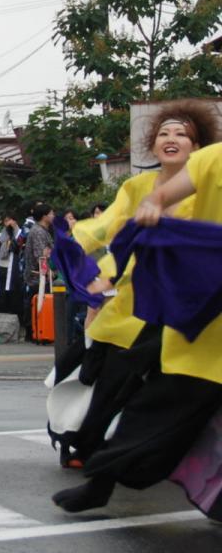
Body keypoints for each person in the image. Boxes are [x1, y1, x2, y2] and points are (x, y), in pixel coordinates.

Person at [56, 108, 222, 513]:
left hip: (173, 311)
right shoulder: (212, 160)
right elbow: (156, 199)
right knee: (154, 406)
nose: (172, 139)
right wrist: (153, 205)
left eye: (181, 134)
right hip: (197, 314)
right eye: (165, 133)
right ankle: (102, 476)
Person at [22, 203, 55, 342]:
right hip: (38, 276)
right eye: (51, 213)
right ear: (44, 216)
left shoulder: (42, 230)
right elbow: (40, 255)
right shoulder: (38, 232)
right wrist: (48, 272)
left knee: (36, 303)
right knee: (37, 303)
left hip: (41, 275)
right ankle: (35, 332)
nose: (53, 216)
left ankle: (37, 331)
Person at [0, 214, 23, 317]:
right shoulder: (1, 236)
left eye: (10, 220)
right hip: (1, 267)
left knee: (13, 292)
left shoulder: (20, 234)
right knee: (1, 293)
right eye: (6, 221)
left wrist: (13, 231)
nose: (8, 223)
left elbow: (18, 249)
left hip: (14, 269)